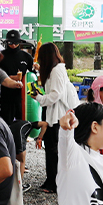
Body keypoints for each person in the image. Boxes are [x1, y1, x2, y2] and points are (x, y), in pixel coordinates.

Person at [34, 42, 80, 194]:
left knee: (54, 151)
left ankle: (54, 183)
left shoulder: (57, 71)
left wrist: (39, 98)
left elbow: (55, 95)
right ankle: (52, 181)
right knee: (53, 150)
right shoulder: (55, 69)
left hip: (58, 116)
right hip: (55, 115)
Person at [0, 29, 34, 126]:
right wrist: (12, 78)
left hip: (22, 96)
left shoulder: (27, 57)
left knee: (22, 123)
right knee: (5, 124)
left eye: (16, 42)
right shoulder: (0, 56)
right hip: (5, 96)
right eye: (10, 43)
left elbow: (32, 75)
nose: (13, 45)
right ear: (7, 42)